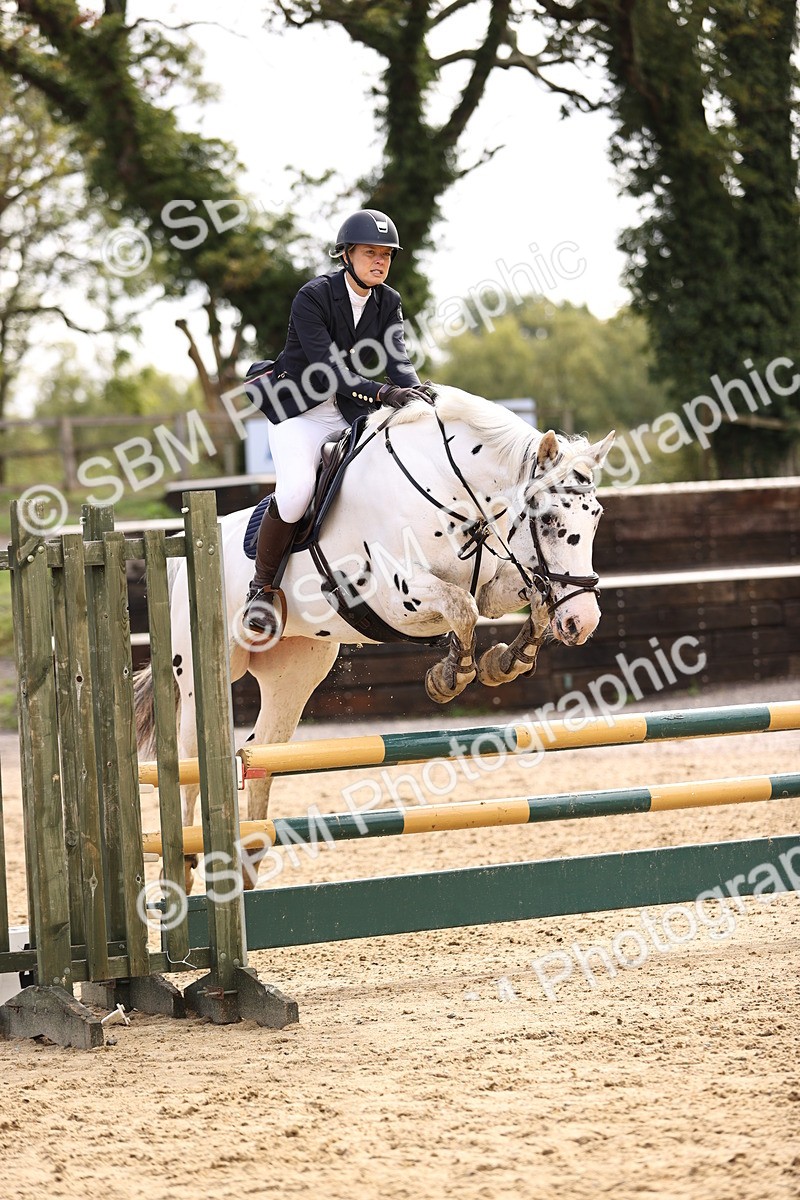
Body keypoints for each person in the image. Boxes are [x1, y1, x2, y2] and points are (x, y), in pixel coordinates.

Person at [242, 208, 433, 638]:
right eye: (370, 253)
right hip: (299, 412)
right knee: (295, 494)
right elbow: (327, 371)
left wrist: (421, 401)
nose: (380, 262)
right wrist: (383, 394)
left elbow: (399, 363)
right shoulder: (313, 296)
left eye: (386, 255)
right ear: (346, 255)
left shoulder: (389, 302)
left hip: (345, 413)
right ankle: (262, 588)